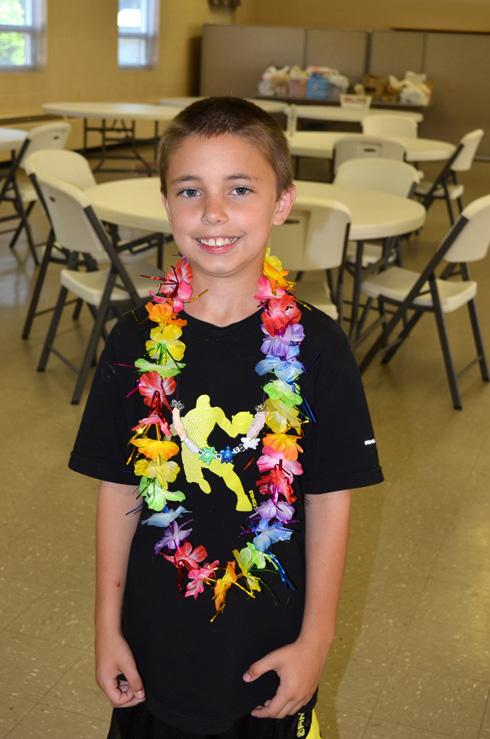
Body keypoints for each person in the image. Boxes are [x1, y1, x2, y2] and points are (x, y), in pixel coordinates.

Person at [69, 96, 383, 739]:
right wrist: (107, 624)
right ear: (167, 204)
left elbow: (329, 499)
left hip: (268, 640)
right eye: (191, 190)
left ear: (281, 203)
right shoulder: (133, 342)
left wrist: (317, 641)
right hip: (155, 638)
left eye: (239, 188)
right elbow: (120, 486)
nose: (213, 213)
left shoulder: (319, 348)